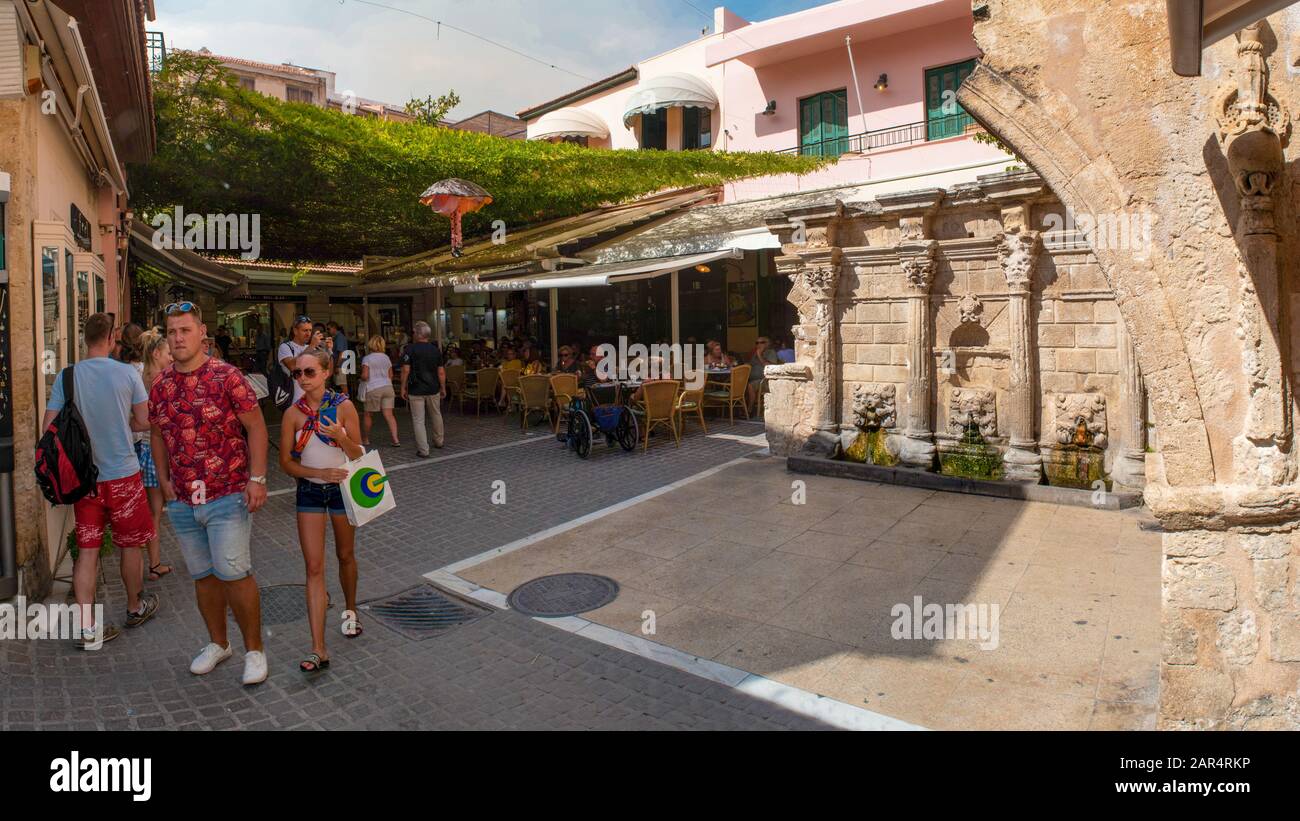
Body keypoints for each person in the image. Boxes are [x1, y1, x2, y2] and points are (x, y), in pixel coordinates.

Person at [149, 301, 270, 686]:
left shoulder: (228, 377)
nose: (178, 337)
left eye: (185, 330)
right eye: (172, 331)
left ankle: (255, 651)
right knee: (203, 577)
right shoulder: (162, 384)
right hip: (184, 500)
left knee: (234, 574)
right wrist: (164, 480)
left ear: (202, 333)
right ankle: (219, 644)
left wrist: (259, 479)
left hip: (228, 494)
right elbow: (157, 434)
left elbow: (257, 428)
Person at [44, 313, 160, 648]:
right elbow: (143, 422)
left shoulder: (67, 377)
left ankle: (87, 628)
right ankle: (135, 607)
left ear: (85, 339)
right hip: (123, 474)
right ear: (111, 339)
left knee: (88, 552)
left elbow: (49, 429)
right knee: (131, 545)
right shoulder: (127, 374)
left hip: (85, 482)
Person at [278, 347, 365, 674]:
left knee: (345, 555)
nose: (302, 379)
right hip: (310, 492)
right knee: (313, 567)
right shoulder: (293, 414)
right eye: (297, 373)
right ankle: (318, 648)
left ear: (327, 372)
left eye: (309, 372)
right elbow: (285, 462)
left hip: (342, 489)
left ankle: (351, 611)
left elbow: (359, 454)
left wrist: (341, 437)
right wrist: (316, 475)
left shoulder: (343, 407)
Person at [136, 327, 174, 582]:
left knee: (153, 510)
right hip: (154, 449)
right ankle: (153, 563)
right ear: (158, 352)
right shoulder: (161, 379)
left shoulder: (140, 376)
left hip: (145, 449)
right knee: (155, 512)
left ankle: (152, 562)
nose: (172, 357)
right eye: (168, 353)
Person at [400, 321, 446, 457]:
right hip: (433, 388)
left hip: (416, 389)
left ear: (418, 334)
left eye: (414, 332)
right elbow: (441, 372)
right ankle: (439, 441)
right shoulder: (435, 350)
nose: (412, 334)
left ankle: (423, 450)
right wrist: (443, 387)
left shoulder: (409, 349)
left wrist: (403, 387)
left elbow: (405, 370)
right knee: (436, 414)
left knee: (418, 420)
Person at [360, 335, 399, 447]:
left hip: (373, 388)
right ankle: (396, 439)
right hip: (387, 387)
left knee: (368, 414)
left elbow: (365, 376)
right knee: (389, 415)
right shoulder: (386, 358)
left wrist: (360, 378)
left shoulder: (367, 358)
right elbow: (390, 375)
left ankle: (366, 439)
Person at [278, 316, 313, 406]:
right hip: (294, 401)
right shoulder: (285, 347)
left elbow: (327, 372)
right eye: (305, 330)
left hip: (312, 400)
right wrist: (312, 346)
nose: (308, 334)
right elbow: (292, 366)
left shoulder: (310, 348)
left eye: (310, 330)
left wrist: (329, 351)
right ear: (295, 331)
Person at [746, 336, 781, 409]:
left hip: (764, 380)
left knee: (750, 385)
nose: (759, 344)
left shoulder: (771, 352)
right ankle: (741, 408)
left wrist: (759, 355)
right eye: (757, 343)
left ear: (767, 344)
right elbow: (750, 364)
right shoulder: (755, 353)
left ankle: (750, 409)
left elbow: (769, 366)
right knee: (738, 384)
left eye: (762, 342)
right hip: (751, 378)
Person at [327, 321, 351, 394]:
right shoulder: (337, 337)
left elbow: (341, 353)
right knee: (339, 384)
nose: (328, 331)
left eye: (329, 329)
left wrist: (337, 366)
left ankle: (347, 401)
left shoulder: (339, 337)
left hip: (340, 365)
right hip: (339, 364)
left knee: (342, 384)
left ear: (334, 328)